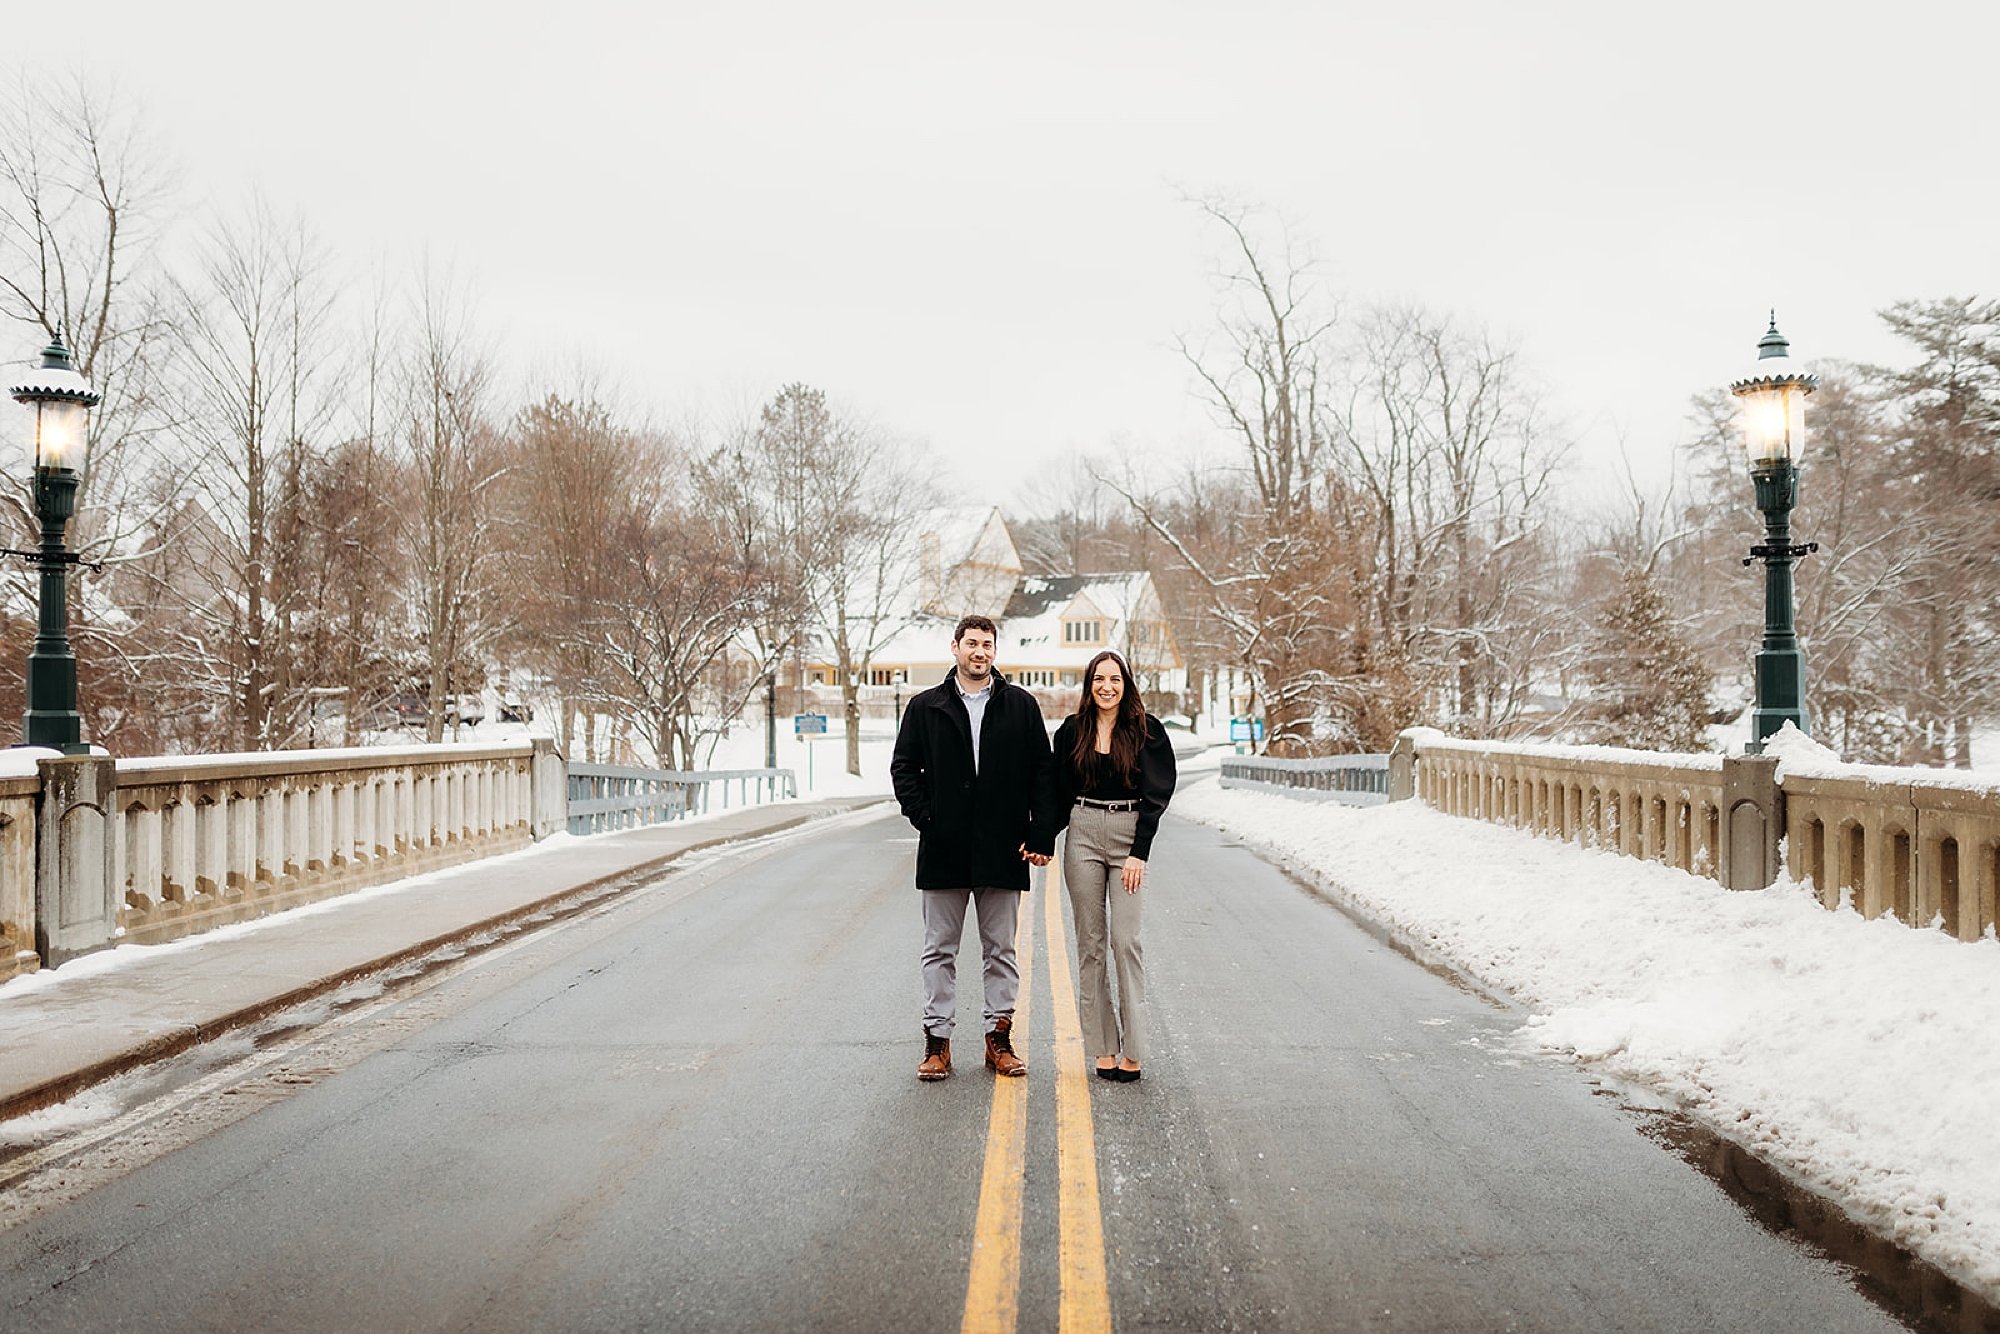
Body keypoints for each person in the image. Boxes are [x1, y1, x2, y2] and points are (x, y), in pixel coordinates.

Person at [890, 615, 1059, 1082]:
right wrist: (928, 819)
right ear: (956, 648)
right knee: (938, 950)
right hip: (943, 849)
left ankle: (998, 1039)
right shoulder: (926, 707)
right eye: (971, 644)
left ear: (994, 652)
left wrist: (1041, 832)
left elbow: (1042, 773)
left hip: (1003, 849)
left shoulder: (1021, 706)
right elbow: (904, 768)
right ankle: (937, 1042)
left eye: (986, 644)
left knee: (1000, 950)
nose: (979, 652)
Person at [1050, 649, 1176, 1083]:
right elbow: (1058, 791)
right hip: (1082, 830)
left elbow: (1158, 794)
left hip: (1127, 832)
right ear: (1088, 685)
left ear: (1126, 684)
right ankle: (1102, 1046)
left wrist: (1139, 850)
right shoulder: (1071, 732)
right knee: (1090, 944)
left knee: (1125, 941)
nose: (1107, 686)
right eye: (1098, 679)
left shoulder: (1147, 731)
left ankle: (1134, 1049)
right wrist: (1041, 838)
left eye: (1115, 679)